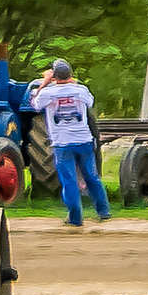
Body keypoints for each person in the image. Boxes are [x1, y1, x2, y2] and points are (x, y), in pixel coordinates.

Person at [35, 57, 109, 226]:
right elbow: (90, 102)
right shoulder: (81, 90)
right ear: (70, 74)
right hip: (83, 139)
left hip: (62, 143)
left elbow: (35, 105)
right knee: (92, 176)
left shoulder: (47, 93)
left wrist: (45, 83)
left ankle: (75, 219)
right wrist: (73, 86)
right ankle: (103, 211)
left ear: (54, 76)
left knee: (69, 181)